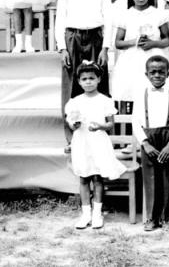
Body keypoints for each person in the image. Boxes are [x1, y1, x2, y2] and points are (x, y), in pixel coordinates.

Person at [55, 0, 112, 151]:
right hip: (73, 38)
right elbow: (60, 18)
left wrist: (105, 48)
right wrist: (62, 48)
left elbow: (109, 18)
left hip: (96, 37)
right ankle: (72, 138)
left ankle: (101, 135)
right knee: (72, 86)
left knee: (99, 83)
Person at [65, 62, 126, 230]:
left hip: (98, 141)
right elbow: (71, 124)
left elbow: (110, 125)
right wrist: (74, 125)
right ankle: (85, 214)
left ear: (99, 79)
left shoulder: (105, 100)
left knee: (98, 177)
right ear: (79, 81)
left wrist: (100, 126)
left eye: (92, 78)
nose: (88, 82)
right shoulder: (75, 102)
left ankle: (97, 213)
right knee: (84, 177)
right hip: (82, 142)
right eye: (84, 79)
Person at [132, 55, 169, 232]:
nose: (157, 75)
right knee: (151, 179)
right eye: (153, 72)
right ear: (146, 74)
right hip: (148, 140)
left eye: (161, 72)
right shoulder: (141, 94)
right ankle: (151, 218)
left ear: (168, 74)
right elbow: (135, 122)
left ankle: (167, 218)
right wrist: (145, 143)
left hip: (168, 138)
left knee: (168, 179)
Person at [113, 0, 169, 114]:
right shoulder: (125, 15)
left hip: (153, 58)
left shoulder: (159, 14)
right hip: (131, 60)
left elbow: (167, 39)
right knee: (129, 93)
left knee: (152, 94)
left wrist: (153, 43)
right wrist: (135, 41)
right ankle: (127, 127)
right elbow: (118, 43)